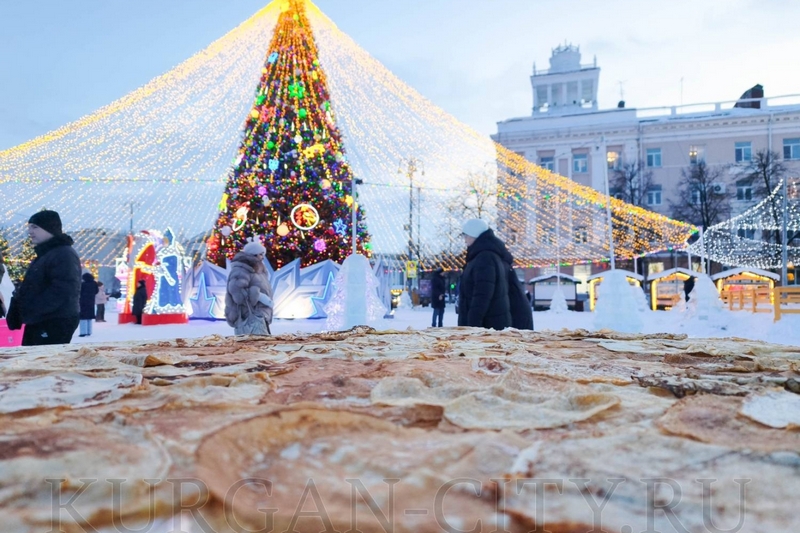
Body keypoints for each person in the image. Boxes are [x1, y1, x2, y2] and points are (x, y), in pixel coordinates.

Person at [9, 210, 81, 346]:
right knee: (32, 361)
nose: (30, 232)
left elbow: (63, 290)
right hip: (41, 320)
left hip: (54, 321)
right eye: (29, 227)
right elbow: (33, 286)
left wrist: (30, 310)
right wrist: (17, 310)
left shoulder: (63, 254)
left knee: (41, 363)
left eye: (35, 227)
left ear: (50, 228)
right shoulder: (46, 254)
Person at [457, 219, 512, 330]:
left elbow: (482, 295)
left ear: (474, 235)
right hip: (489, 325)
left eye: (466, 236)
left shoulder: (484, 258)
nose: (465, 240)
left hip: (487, 328)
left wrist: (473, 326)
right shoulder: (483, 255)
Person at [225, 240, 274, 335]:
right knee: (254, 346)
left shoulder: (258, 268)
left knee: (261, 345)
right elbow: (238, 294)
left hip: (259, 315)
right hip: (248, 315)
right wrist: (259, 296)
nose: (263, 257)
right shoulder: (241, 269)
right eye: (260, 254)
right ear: (254, 254)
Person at [78, 273, 99, 337]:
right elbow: (96, 291)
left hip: (83, 302)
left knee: (83, 318)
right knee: (89, 318)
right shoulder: (94, 283)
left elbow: (79, 292)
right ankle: (89, 331)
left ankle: (83, 332)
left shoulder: (83, 284)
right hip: (91, 302)